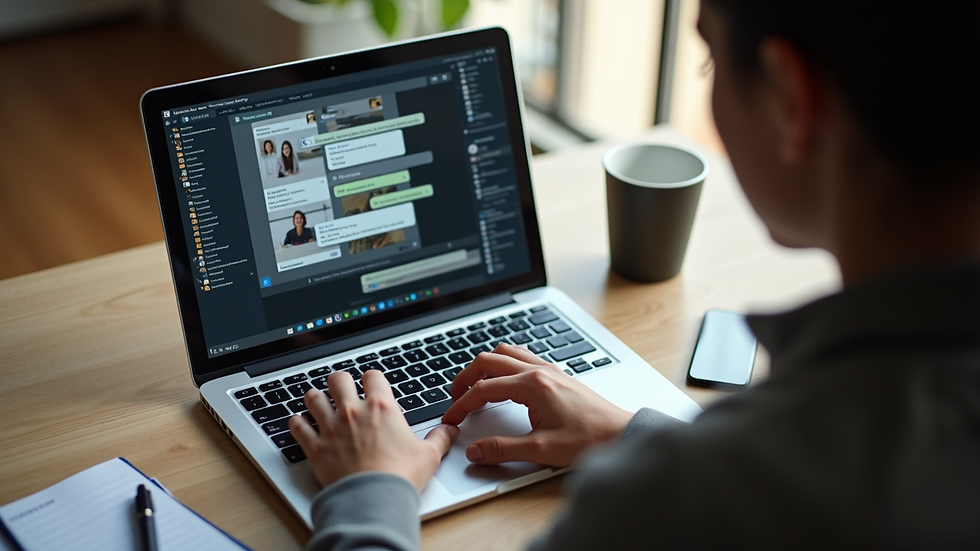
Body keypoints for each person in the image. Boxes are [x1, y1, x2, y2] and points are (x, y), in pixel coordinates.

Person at [289, 1, 980, 548]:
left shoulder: (685, 497)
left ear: (789, 98)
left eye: (707, 59)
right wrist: (639, 436)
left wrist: (372, 489)